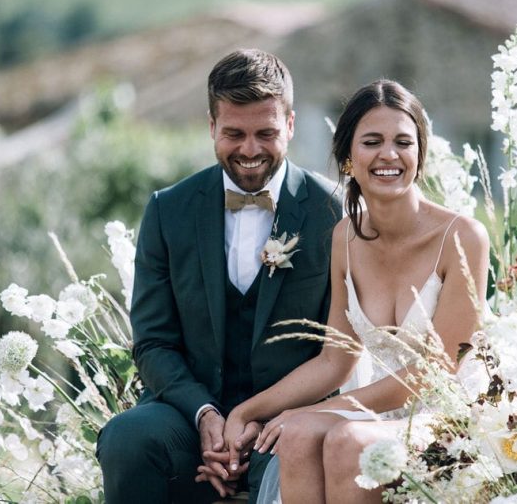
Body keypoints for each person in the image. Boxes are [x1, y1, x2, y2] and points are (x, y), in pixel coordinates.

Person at [199, 80, 490, 503]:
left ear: (419, 155)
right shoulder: (345, 239)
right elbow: (335, 359)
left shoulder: (463, 236)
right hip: (382, 412)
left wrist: (322, 410)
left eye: (403, 142)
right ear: (349, 158)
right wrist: (249, 411)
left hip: (454, 412)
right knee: (296, 434)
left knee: (347, 440)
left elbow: (439, 372)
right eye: (372, 141)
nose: (388, 154)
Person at [96, 48, 342, 503]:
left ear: (290, 125)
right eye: (234, 133)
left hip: (289, 418)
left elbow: (337, 348)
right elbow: (153, 341)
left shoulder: (332, 211)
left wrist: (258, 418)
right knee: (127, 439)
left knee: (297, 452)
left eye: (266, 133)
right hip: (190, 415)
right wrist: (207, 416)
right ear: (211, 127)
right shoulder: (168, 210)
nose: (250, 150)